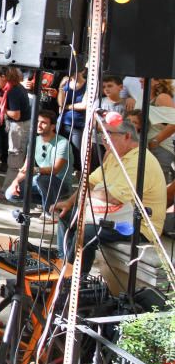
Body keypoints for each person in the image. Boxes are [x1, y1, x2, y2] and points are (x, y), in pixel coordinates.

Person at [53, 117, 166, 276]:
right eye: (102, 135)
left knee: (86, 232)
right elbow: (90, 181)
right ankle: (63, 269)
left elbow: (114, 198)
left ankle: (73, 281)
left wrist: (88, 197)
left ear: (127, 136)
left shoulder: (141, 161)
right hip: (115, 215)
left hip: (138, 227)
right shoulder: (115, 154)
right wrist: (70, 202)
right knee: (67, 217)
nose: (103, 140)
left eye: (108, 135)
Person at [5, 110, 72, 212]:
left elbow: (55, 170)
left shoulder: (63, 143)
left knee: (42, 180)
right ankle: (50, 203)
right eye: (37, 122)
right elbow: (26, 167)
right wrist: (15, 182)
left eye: (43, 123)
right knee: (10, 194)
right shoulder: (34, 140)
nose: (39, 125)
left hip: (60, 184)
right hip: (41, 180)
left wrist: (35, 170)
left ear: (53, 127)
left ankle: (49, 212)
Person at [0, 65, 32, 190]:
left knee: (14, 159)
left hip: (19, 127)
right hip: (19, 125)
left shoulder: (13, 91)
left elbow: (16, 115)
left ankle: (8, 189)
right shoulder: (14, 87)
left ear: (4, 77)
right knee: (15, 157)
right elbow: (12, 104)